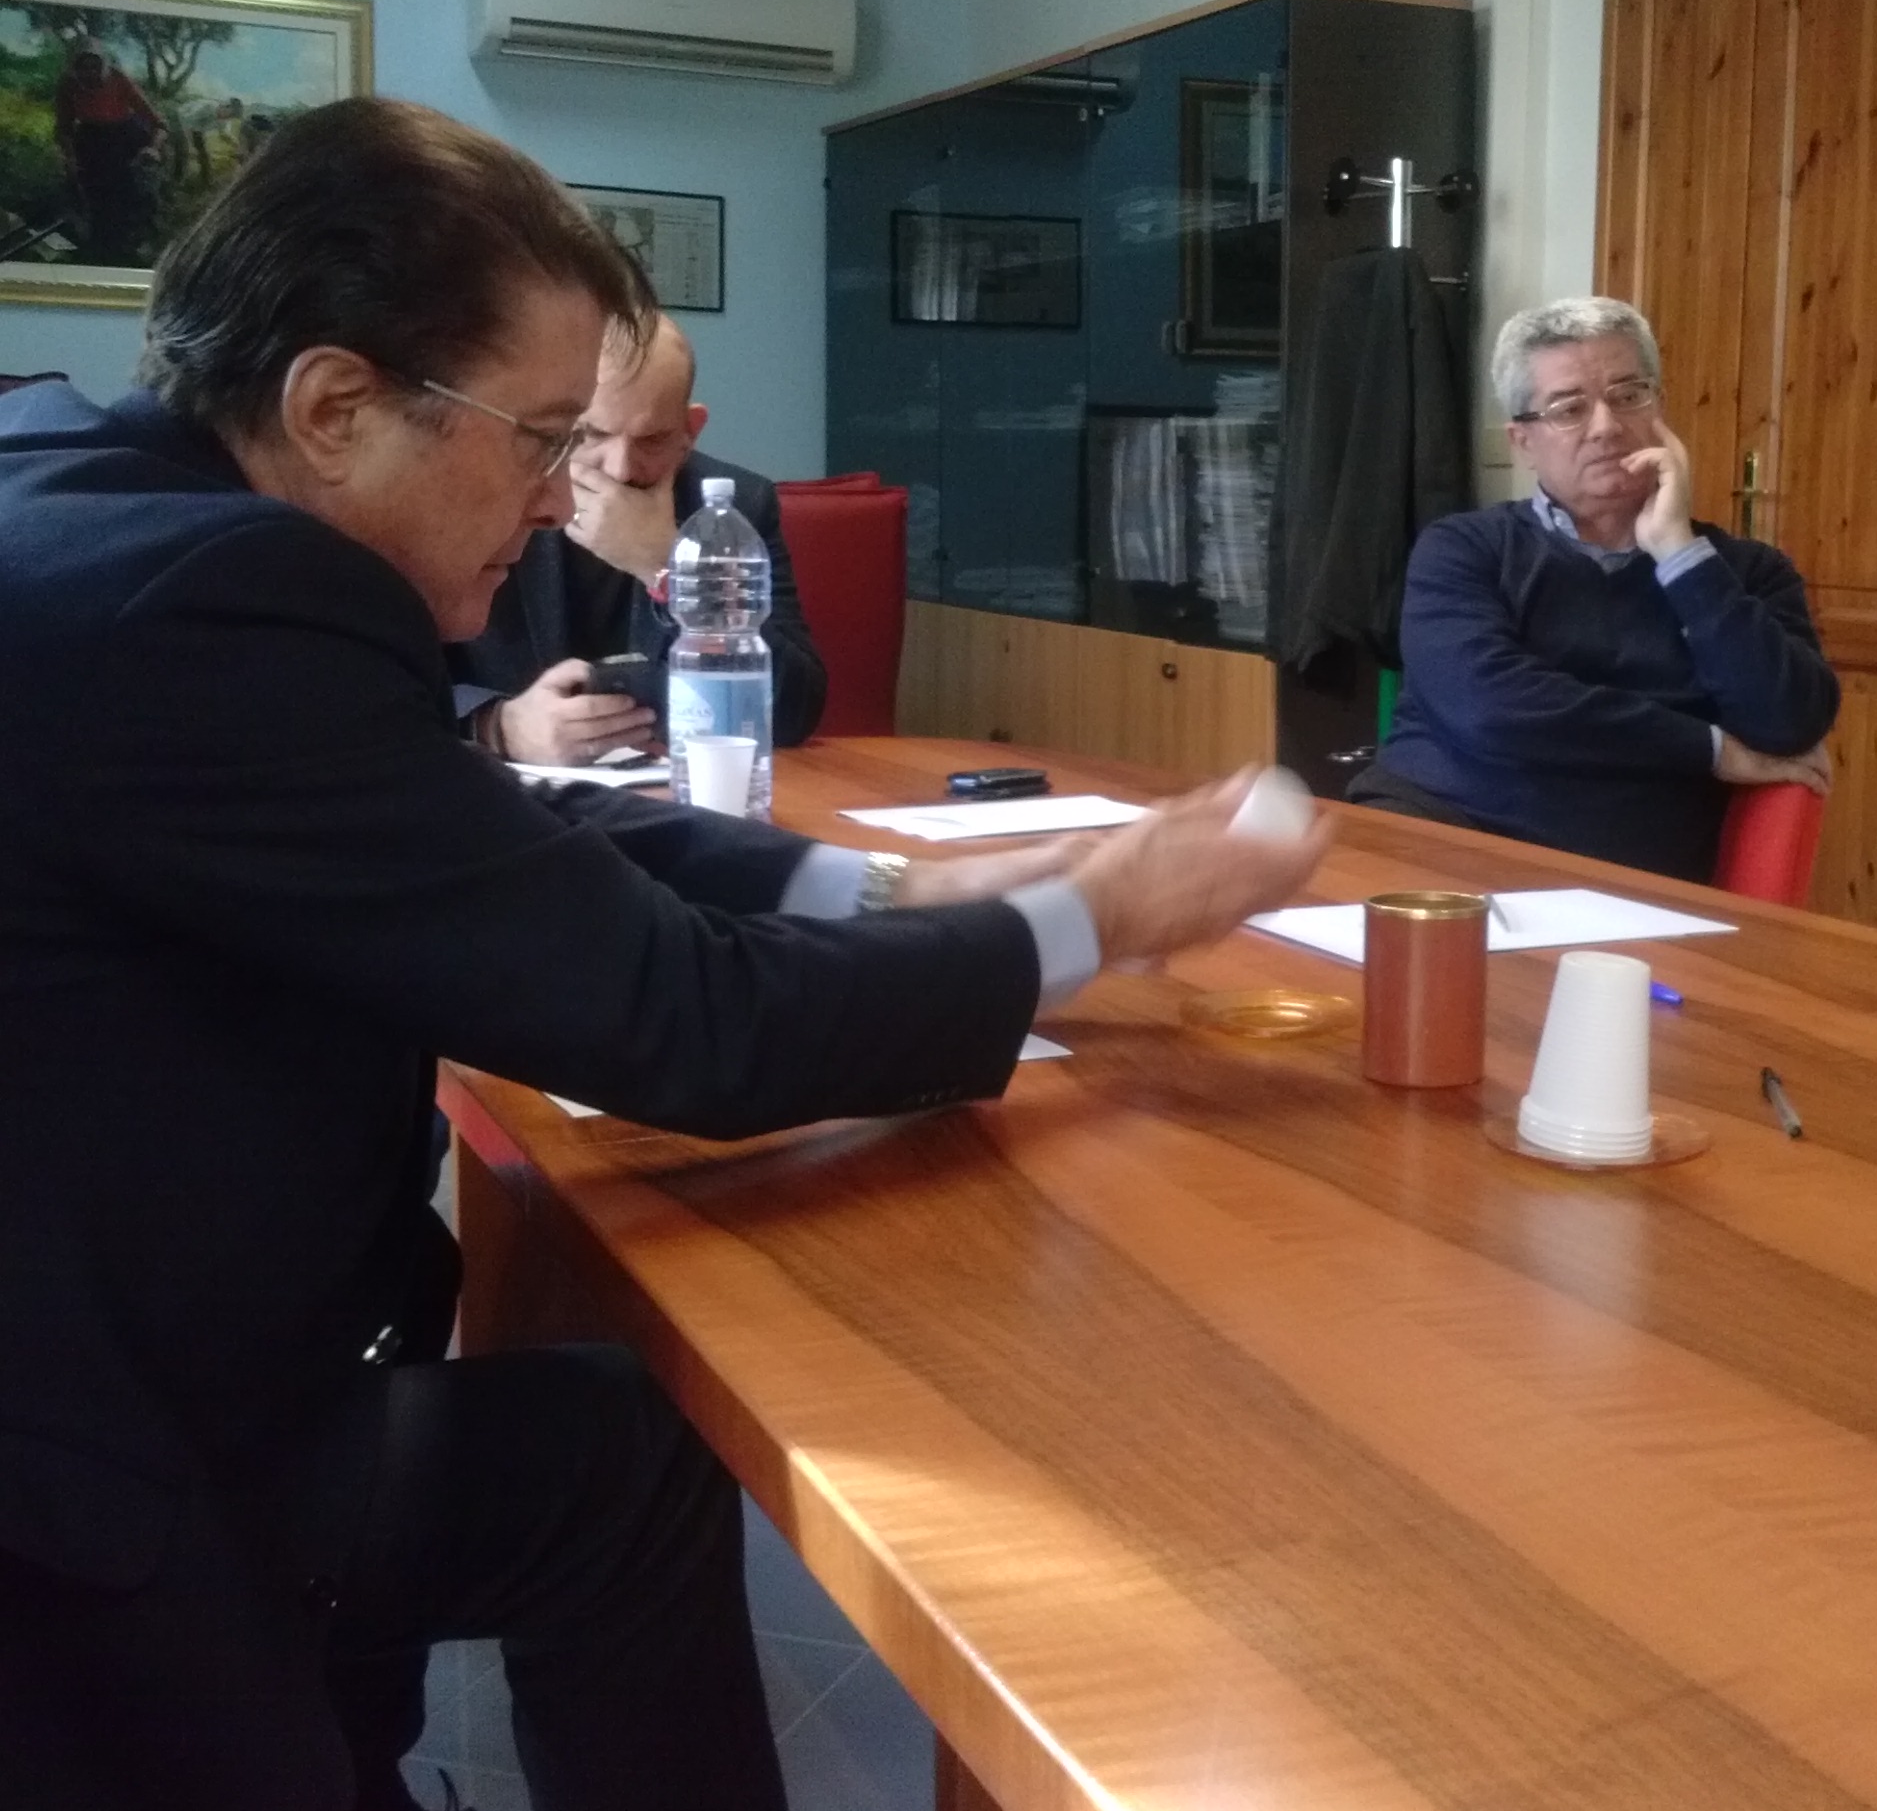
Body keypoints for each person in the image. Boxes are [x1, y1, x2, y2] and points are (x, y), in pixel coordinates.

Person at [0, 97, 1329, 1811]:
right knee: (619, 1452)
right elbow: (684, 1023)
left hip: (143, 1377)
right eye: (541, 436)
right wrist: (1100, 919)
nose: (568, 497)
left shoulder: (92, 492)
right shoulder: (206, 597)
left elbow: (504, 827)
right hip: (103, 1510)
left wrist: (894, 889)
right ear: (336, 407)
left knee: (618, 1459)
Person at [1349, 297, 1839, 882]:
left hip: (1617, 872)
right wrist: (1709, 750)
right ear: (1522, 441)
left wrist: (1681, 556)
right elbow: (1492, 709)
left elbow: (1790, 722)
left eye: (1629, 396)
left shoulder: (1746, 573)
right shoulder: (1463, 549)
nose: (1606, 427)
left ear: (1660, 408)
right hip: (1435, 829)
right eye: (1569, 409)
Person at [447, 312, 828, 764]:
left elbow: (791, 710)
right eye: (592, 435)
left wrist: (668, 565)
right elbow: (392, 678)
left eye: (651, 440)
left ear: (690, 432)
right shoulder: (485, 496)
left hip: (679, 784)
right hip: (506, 786)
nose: (620, 468)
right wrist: (496, 725)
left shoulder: (735, 509)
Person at [52, 35, 165, 264]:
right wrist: (70, 157)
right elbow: (64, 127)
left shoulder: (119, 79)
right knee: (95, 194)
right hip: (91, 141)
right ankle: (101, 247)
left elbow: (159, 124)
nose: (90, 73)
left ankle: (142, 241)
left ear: (103, 65)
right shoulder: (68, 85)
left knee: (138, 189)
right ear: (74, 68)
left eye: (95, 66)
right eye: (83, 67)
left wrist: (153, 149)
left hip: (126, 137)